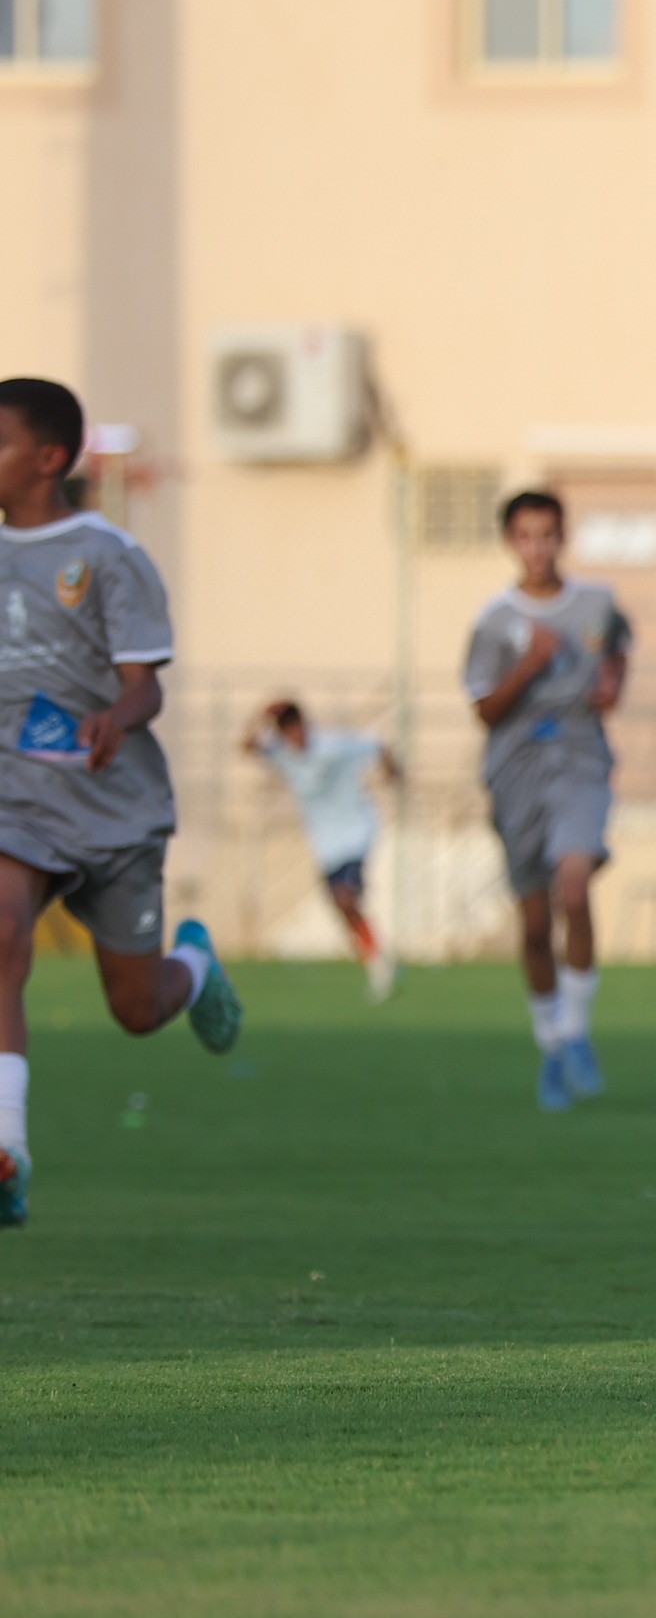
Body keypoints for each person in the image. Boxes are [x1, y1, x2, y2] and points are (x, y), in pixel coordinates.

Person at [0, 376, 243, 1229]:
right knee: (0, 931)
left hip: (111, 807)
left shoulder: (107, 556)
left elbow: (146, 688)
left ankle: (197, 967)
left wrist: (114, 716)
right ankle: (8, 1149)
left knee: (136, 1011)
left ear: (47, 458)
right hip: (15, 801)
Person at [464, 490, 630, 1112]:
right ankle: (551, 1044)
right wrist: (531, 664)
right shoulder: (495, 621)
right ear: (511, 543)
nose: (537, 548)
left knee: (575, 882)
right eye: (525, 536)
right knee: (535, 925)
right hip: (517, 772)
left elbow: (617, 650)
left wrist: (612, 681)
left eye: (547, 535)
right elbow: (485, 709)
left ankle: (578, 1030)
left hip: (581, 760)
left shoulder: (596, 602)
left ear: (563, 539)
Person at [244, 699, 400, 1002]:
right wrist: (260, 716)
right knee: (341, 906)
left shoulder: (333, 746)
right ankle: (377, 957)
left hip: (357, 832)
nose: (295, 738)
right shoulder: (284, 756)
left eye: (297, 729)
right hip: (325, 845)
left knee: (345, 897)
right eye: (287, 732)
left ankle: (378, 965)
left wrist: (393, 771)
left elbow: (378, 745)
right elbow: (247, 747)